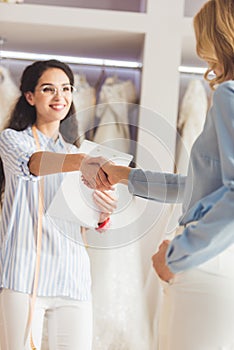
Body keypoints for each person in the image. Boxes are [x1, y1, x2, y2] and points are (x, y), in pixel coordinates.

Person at [83, 0, 234, 348]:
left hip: (206, 262)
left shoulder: (228, 93)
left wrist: (177, 254)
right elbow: (200, 186)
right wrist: (125, 174)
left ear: (215, 37)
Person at [0, 59, 117, 350]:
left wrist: (102, 212)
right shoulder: (12, 140)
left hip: (72, 277)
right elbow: (33, 164)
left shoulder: (78, 151)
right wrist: (81, 163)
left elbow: (84, 219)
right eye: (48, 89)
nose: (59, 96)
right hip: (23, 275)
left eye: (66, 89)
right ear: (30, 96)